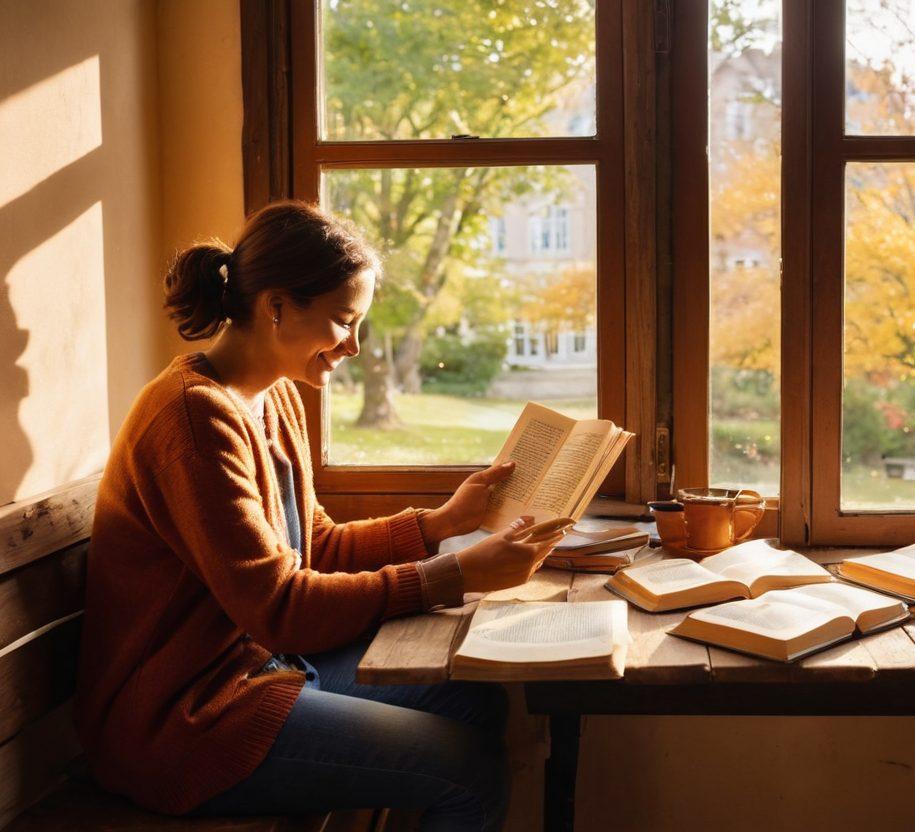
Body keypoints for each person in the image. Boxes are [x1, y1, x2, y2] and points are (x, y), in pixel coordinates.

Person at [75, 201, 560, 831]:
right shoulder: (193, 418)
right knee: (466, 771)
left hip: (261, 671)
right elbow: (280, 609)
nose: (354, 346)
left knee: (474, 704)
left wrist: (441, 524)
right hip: (184, 719)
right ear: (276, 307)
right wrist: (455, 574)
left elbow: (317, 545)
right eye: (343, 321)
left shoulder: (270, 394)